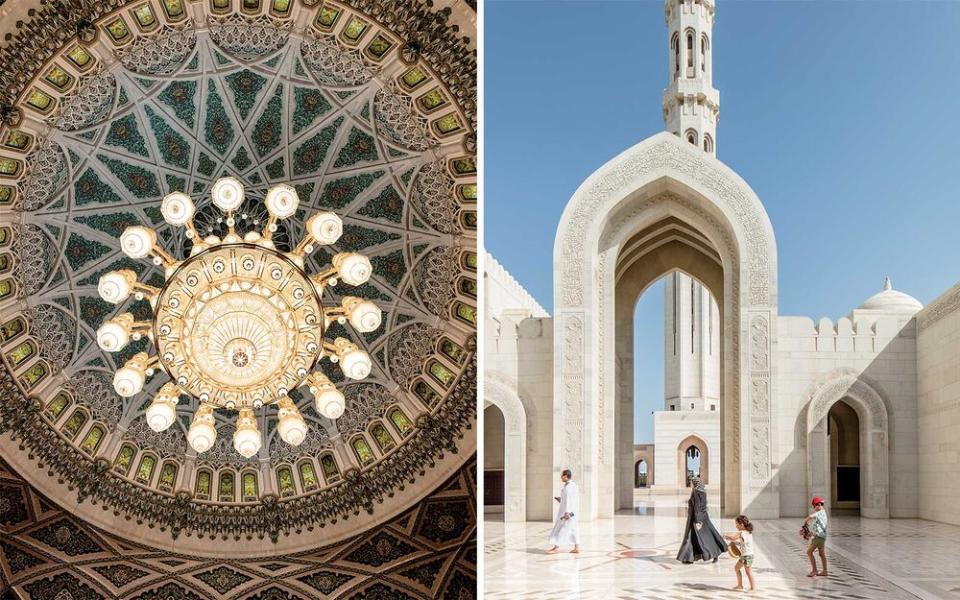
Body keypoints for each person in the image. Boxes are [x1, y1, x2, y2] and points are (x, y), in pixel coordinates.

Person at [677, 476, 726, 563]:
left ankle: (712, 553)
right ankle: (689, 557)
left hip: (697, 518)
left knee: (703, 537)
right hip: (702, 517)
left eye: (691, 482)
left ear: (694, 483)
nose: (690, 484)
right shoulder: (702, 491)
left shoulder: (697, 492)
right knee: (696, 537)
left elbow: (698, 507)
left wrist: (698, 521)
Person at [546, 469, 580, 554]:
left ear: (565, 476)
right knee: (573, 529)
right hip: (573, 512)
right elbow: (571, 499)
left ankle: (556, 548)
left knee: (561, 528)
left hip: (568, 513)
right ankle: (577, 547)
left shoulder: (568, 487)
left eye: (562, 476)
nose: (561, 477)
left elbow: (569, 500)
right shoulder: (574, 485)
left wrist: (567, 512)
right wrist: (561, 500)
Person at [724, 515, 756, 592]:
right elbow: (743, 543)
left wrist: (724, 536)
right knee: (736, 568)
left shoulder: (741, 532)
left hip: (748, 556)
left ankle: (753, 588)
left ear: (741, 524)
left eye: (736, 524)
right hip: (745, 556)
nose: (736, 526)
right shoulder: (747, 532)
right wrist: (735, 543)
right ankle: (740, 585)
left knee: (748, 572)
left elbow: (733, 538)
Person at [804, 496, 828, 577]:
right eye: (818, 504)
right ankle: (825, 571)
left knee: (809, 552)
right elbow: (817, 527)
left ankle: (814, 570)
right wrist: (810, 533)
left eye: (820, 504)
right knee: (821, 554)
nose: (819, 506)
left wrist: (805, 521)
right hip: (822, 537)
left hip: (819, 537)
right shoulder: (823, 513)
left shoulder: (820, 512)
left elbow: (810, 516)